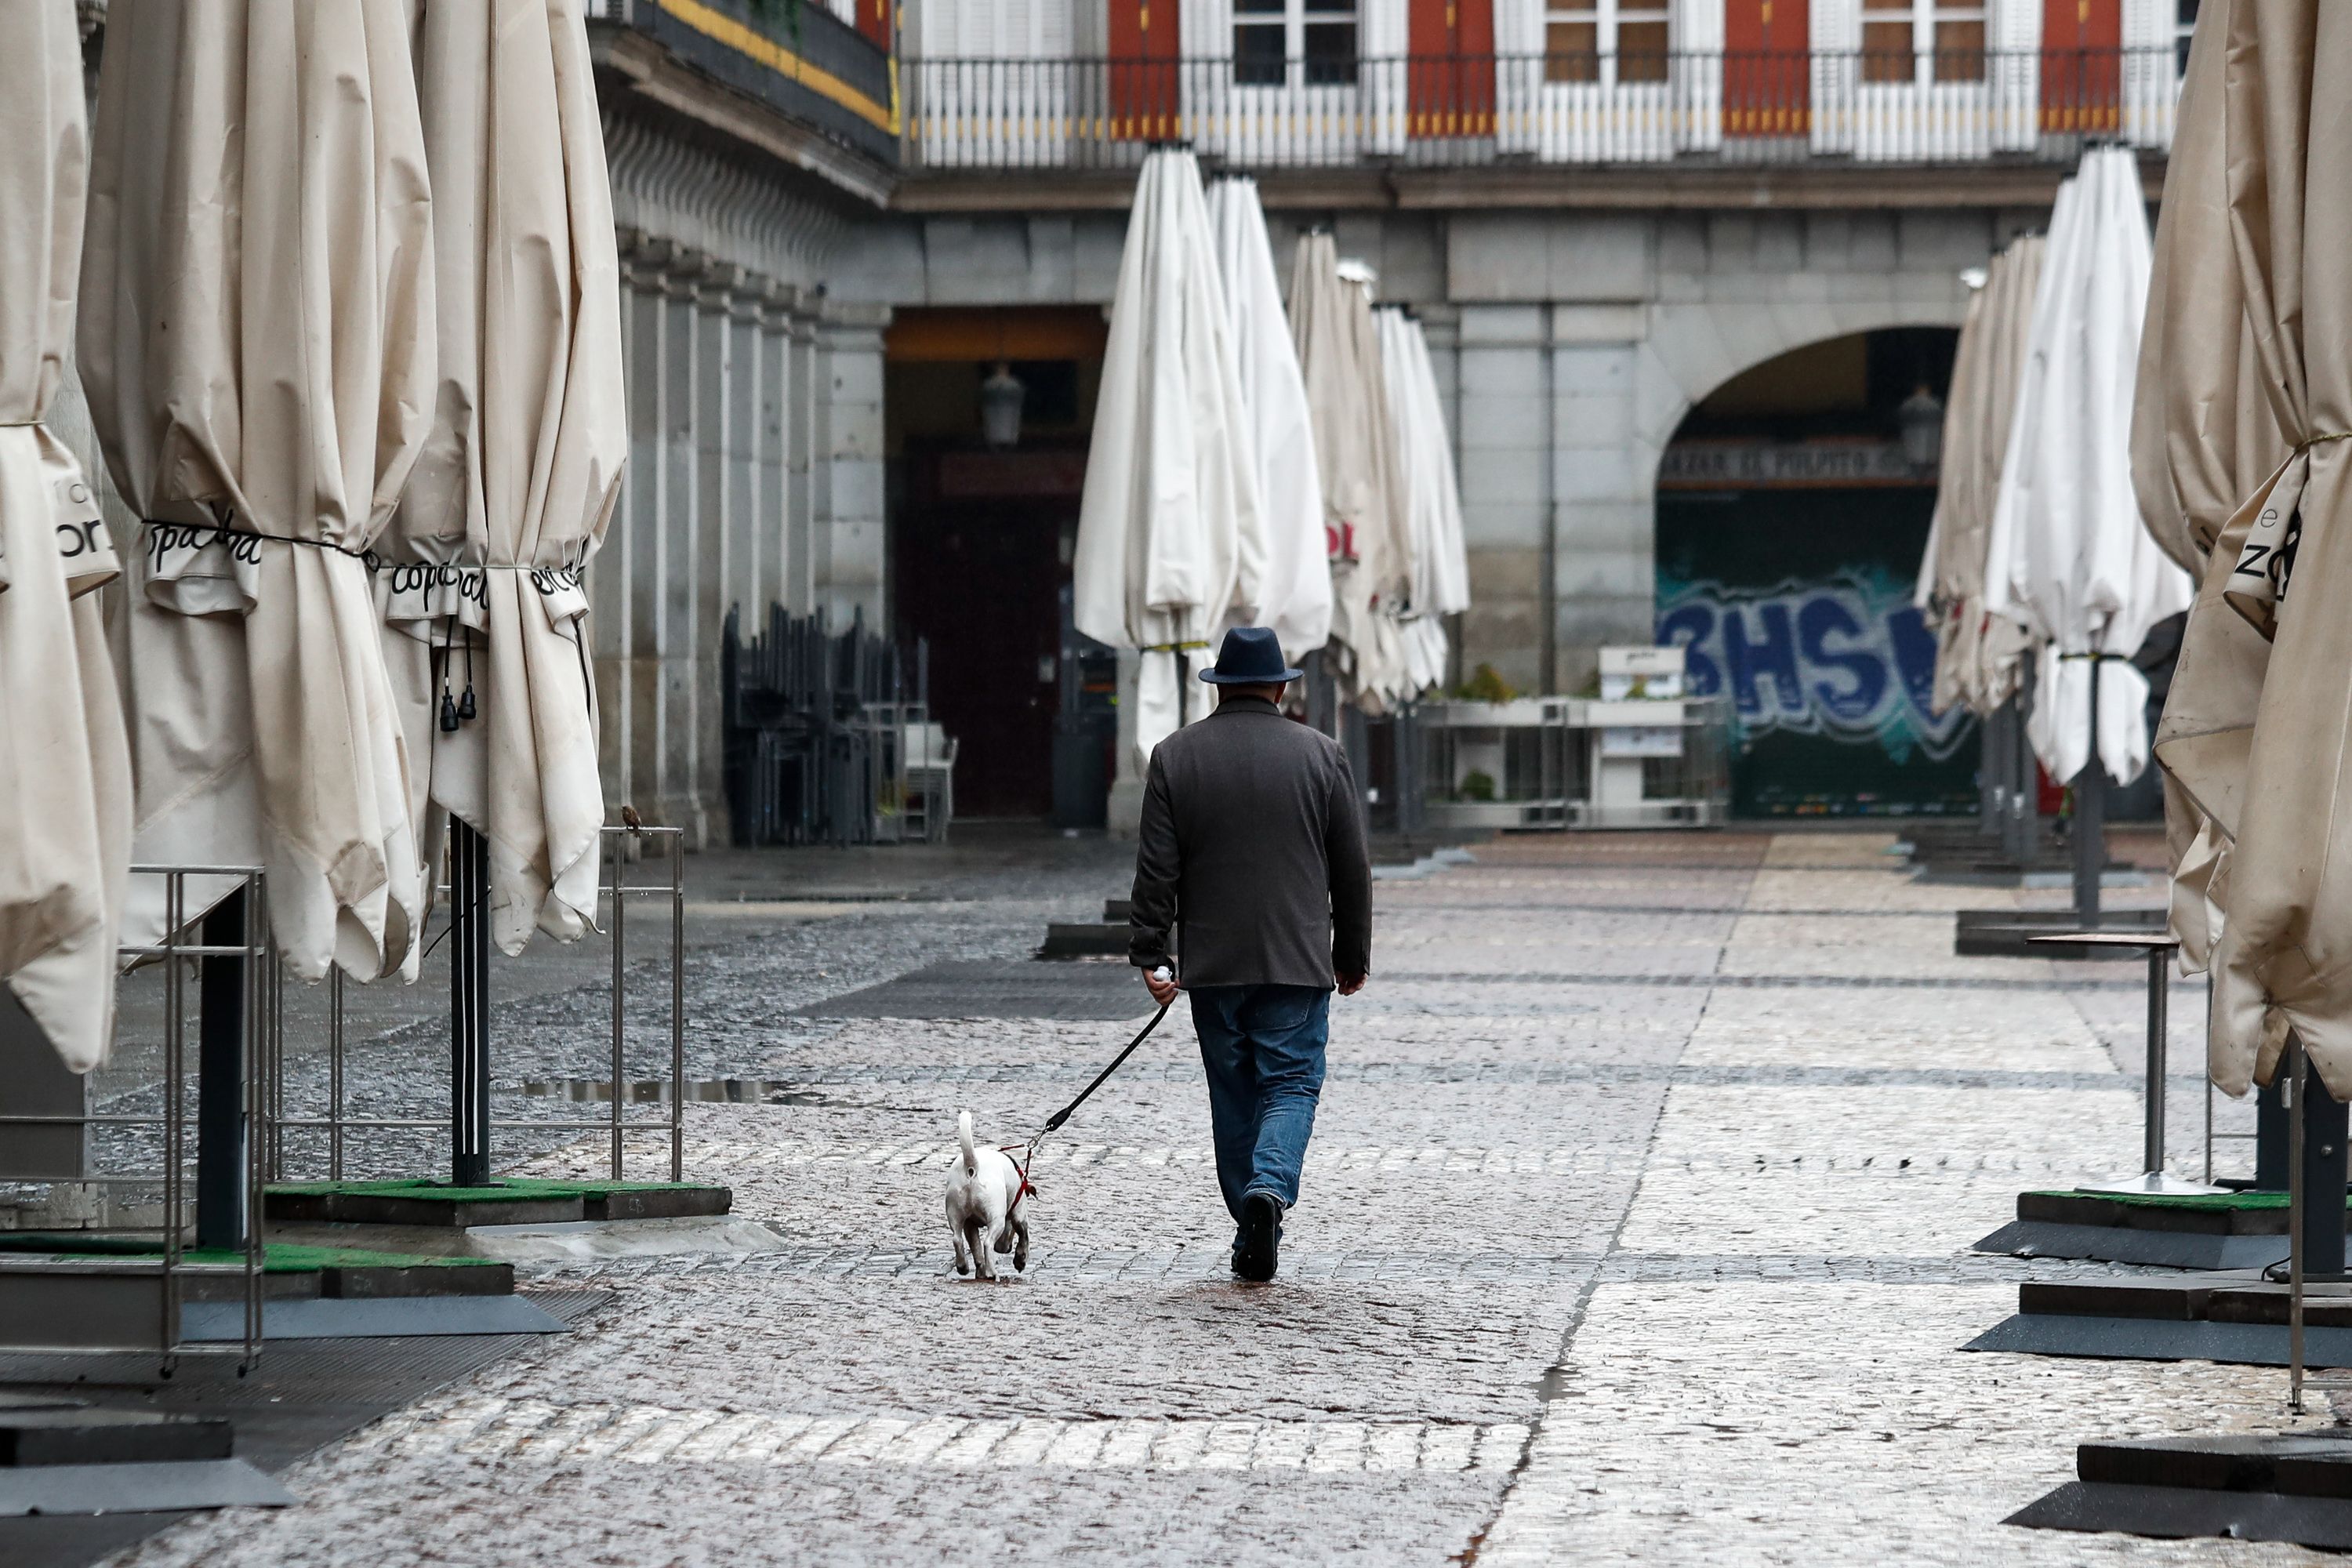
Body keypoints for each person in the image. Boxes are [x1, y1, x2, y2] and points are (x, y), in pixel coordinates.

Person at [1127, 625, 1372, 1283]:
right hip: (1297, 961)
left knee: (1233, 1095)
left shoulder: (1176, 756)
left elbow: (1157, 870)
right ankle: (1268, 1192)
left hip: (1213, 966)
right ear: (1281, 687)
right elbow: (1351, 871)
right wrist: (1350, 955)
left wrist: (1152, 954)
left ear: (1220, 686)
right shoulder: (1323, 755)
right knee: (1291, 1084)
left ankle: (1248, 1218)